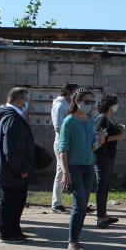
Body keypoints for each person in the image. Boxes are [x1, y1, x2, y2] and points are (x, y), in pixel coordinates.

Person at [58, 88, 104, 250]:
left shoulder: (91, 121)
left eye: (92, 102)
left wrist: (100, 141)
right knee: (80, 203)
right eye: (86, 101)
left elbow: (92, 145)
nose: (90, 105)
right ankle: (72, 242)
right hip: (74, 167)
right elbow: (63, 148)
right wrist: (66, 172)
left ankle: (75, 239)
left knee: (83, 205)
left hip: (88, 165)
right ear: (76, 101)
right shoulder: (69, 121)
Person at [0, 87, 35, 243]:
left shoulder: (7, 115)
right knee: (10, 203)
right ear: (17, 100)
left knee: (15, 202)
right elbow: (11, 149)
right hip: (12, 171)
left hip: (8, 170)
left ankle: (14, 230)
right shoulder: (12, 118)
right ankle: (7, 233)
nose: (27, 103)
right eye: (25, 99)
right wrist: (22, 169)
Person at [94, 94, 125, 228]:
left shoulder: (107, 119)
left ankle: (104, 215)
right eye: (115, 103)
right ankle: (100, 217)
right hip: (102, 157)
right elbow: (99, 138)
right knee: (102, 187)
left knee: (105, 186)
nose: (116, 106)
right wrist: (118, 136)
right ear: (110, 105)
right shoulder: (102, 119)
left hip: (107, 156)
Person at [51, 83, 80, 214]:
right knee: (63, 172)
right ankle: (57, 203)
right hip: (61, 143)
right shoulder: (59, 106)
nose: (77, 94)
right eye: (75, 92)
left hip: (71, 143)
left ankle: (76, 202)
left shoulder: (71, 105)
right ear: (68, 92)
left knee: (66, 172)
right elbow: (58, 126)